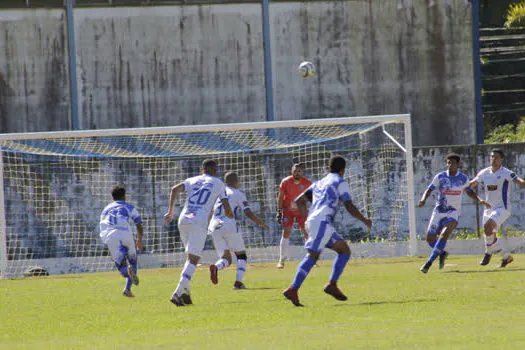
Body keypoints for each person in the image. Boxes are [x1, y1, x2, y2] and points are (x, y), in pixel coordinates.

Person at [282, 155, 372, 307]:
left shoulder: (319, 182)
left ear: (329, 168)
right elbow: (349, 206)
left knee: (344, 250)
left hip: (318, 223)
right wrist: (364, 220)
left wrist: (308, 219)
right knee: (313, 255)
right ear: (343, 170)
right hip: (322, 223)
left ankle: (332, 284)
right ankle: (293, 288)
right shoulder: (339, 182)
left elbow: (299, 201)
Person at [164, 159, 233, 306]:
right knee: (193, 260)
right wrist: (230, 217)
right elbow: (226, 207)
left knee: (190, 258)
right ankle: (177, 292)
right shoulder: (219, 183)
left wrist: (170, 212)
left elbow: (174, 189)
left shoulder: (192, 179)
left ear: (202, 170)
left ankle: (185, 295)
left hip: (183, 219)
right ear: (215, 171)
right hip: (199, 221)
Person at [465, 149, 525, 267]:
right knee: (490, 235)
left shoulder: (506, 172)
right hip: (489, 208)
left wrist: (523, 182)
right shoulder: (484, 172)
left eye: (496, 157)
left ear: (501, 159)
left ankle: (488, 252)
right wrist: (466, 186)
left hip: (503, 208)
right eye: (492, 157)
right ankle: (506, 257)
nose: (493, 159)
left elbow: (519, 181)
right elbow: (471, 185)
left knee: (488, 228)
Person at [208, 172, 269, 289]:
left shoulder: (217, 194)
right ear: (236, 182)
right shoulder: (238, 193)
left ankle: (216, 267)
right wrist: (261, 223)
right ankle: (238, 282)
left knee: (226, 258)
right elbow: (248, 212)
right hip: (229, 224)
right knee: (241, 255)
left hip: (214, 226)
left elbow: (211, 212)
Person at [418, 153, 469, 273]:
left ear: (458, 164)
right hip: (438, 211)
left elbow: (469, 190)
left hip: (453, 212)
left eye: (453, 163)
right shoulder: (440, 176)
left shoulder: (463, 178)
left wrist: (479, 199)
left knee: (444, 234)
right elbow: (429, 189)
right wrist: (423, 199)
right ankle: (442, 253)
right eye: (448, 163)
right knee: (430, 238)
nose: (450, 165)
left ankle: (428, 263)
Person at [99, 185, 144, 297]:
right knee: (133, 262)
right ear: (124, 196)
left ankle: (127, 274)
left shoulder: (105, 210)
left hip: (111, 236)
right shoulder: (128, 206)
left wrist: (107, 240)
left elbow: (102, 226)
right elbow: (139, 224)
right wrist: (139, 240)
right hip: (126, 234)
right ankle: (127, 289)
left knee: (122, 267)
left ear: (112, 197)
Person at [276, 163, 312, 268]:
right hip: (288, 210)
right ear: (292, 172)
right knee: (286, 231)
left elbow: (312, 197)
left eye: (299, 171)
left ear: (302, 172)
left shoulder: (307, 183)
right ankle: (281, 259)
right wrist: (279, 211)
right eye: (295, 171)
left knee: (306, 231)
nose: (297, 173)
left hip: (301, 210)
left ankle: (310, 257)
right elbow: (280, 197)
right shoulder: (285, 182)